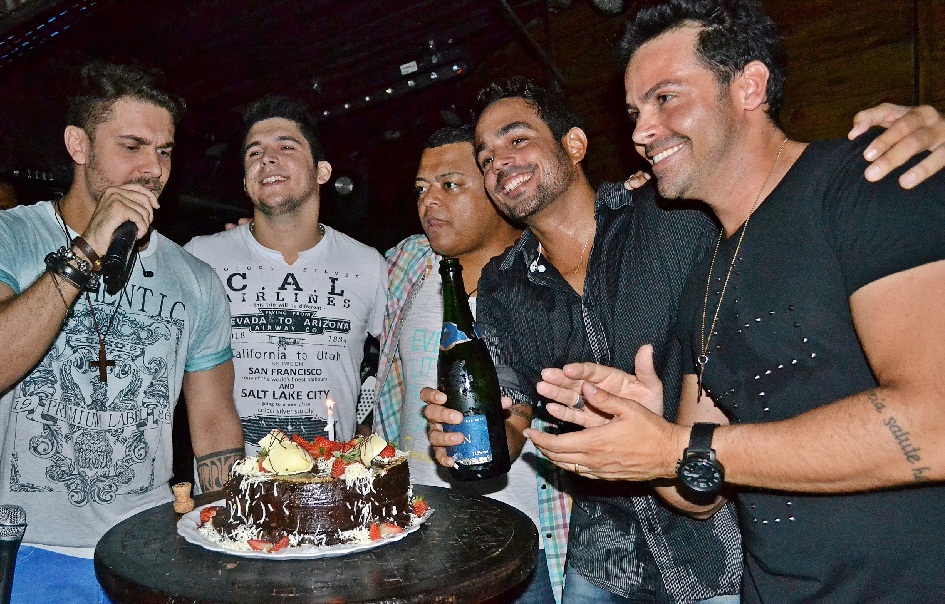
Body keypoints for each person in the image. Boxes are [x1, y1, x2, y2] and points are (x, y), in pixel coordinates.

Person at [422, 78, 945, 603]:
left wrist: (928, 130)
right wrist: (467, 433)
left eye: (517, 139)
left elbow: (770, 180)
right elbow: (511, 411)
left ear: (574, 145)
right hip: (604, 562)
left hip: (722, 545)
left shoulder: (675, 212)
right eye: (485, 159)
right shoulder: (500, 285)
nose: (499, 162)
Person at [0, 60, 244, 603]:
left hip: (146, 554)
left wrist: (228, 539)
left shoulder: (195, 279)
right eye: (132, 146)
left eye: (165, 151)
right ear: (78, 145)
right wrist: (87, 249)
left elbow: (214, 425)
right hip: (26, 553)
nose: (153, 168)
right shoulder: (11, 237)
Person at [375, 125, 568, 603]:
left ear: (496, 188)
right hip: (417, 533)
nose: (428, 201)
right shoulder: (408, 265)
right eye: (421, 188)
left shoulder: (551, 276)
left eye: (450, 184)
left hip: (525, 545)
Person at [185, 95, 386, 453]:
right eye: (254, 152)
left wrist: (369, 434)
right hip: (231, 480)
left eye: (286, 147)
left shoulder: (367, 265)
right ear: (246, 181)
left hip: (330, 479)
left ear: (322, 172)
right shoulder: (202, 257)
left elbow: (398, 367)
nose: (267, 158)